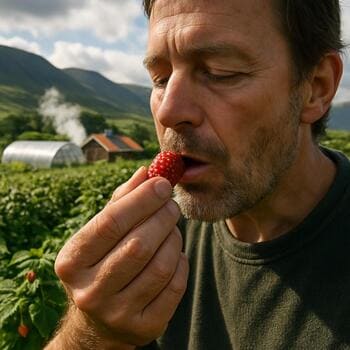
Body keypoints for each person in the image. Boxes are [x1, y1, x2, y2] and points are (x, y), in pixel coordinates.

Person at [45, 0, 350, 349]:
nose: (169, 110)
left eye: (221, 71)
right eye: (160, 78)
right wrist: (91, 334)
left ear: (317, 87)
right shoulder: (151, 242)